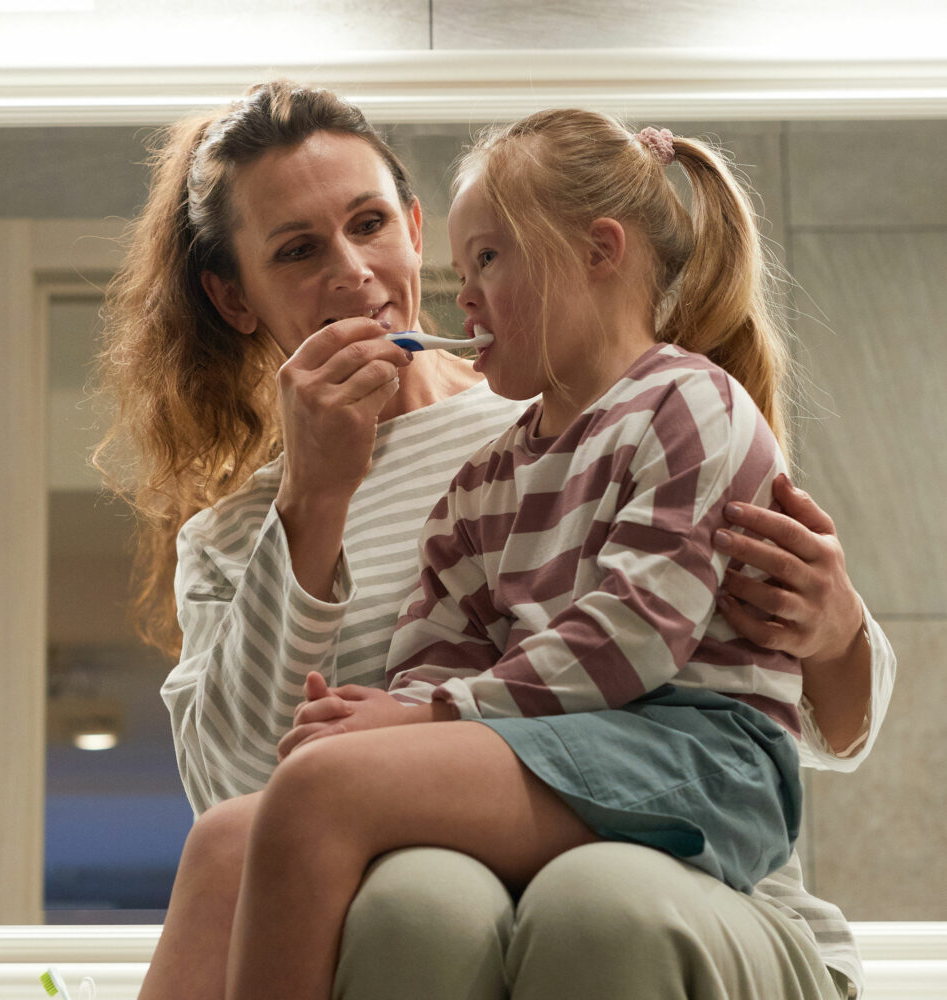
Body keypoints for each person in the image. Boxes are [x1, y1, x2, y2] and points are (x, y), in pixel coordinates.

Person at [93, 81, 894, 1000]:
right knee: (403, 899)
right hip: (427, 889)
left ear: (417, 228)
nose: (352, 271)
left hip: (699, 878)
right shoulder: (245, 536)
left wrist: (834, 631)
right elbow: (248, 804)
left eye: (370, 223)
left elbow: (813, 725)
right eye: (298, 250)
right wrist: (313, 502)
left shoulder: (594, 408)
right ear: (235, 299)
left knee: (587, 903)